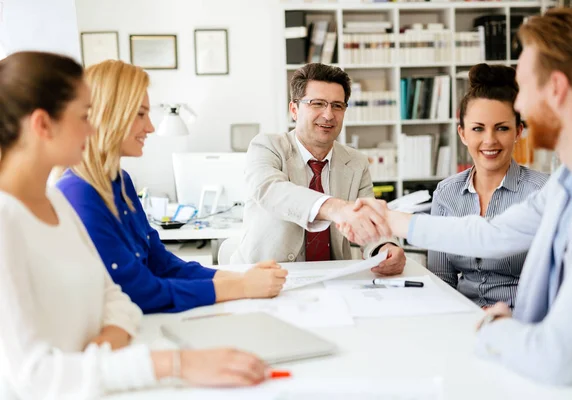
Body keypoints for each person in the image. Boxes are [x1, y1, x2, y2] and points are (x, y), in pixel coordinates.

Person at [343, 8, 572, 389]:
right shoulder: (569, 178)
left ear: (557, 88)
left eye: (524, 88)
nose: (521, 107)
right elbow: (492, 234)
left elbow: (555, 357)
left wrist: (494, 326)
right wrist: (392, 219)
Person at [0, 51, 268, 399]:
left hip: (98, 384)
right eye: (84, 116)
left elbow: (117, 300)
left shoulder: (54, 203)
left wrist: (92, 361)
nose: (94, 128)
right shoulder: (12, 219)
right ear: (42, 125)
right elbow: (35, 376)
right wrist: (177, 364)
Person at [55, 60, 287, 314]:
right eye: (141, 114)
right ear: (109, 115)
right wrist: (241, 287)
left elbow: (161, 263)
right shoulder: (78, 193)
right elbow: (136, 291)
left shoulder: (120, 181)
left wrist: (235, 278)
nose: (151, 127)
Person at [230, 63, 405, 276]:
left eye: (337, 106)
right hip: (263, 276)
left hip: (333, 279)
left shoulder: (357, 162)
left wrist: (385, 248)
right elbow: (271, 191)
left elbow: (369, 223)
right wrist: (336, 208)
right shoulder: (266, 146)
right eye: (318, 104)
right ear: (294, 109)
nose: (329, 115)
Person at [428, 63, 548, 308]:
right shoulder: (446, 193)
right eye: (478, 129)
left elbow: (553, 283)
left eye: (502, 128)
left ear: (518, 131)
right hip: (462, 319)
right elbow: (441, 279)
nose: (490, 140)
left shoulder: (543, 192)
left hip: (522, 322)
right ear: (462, 134)